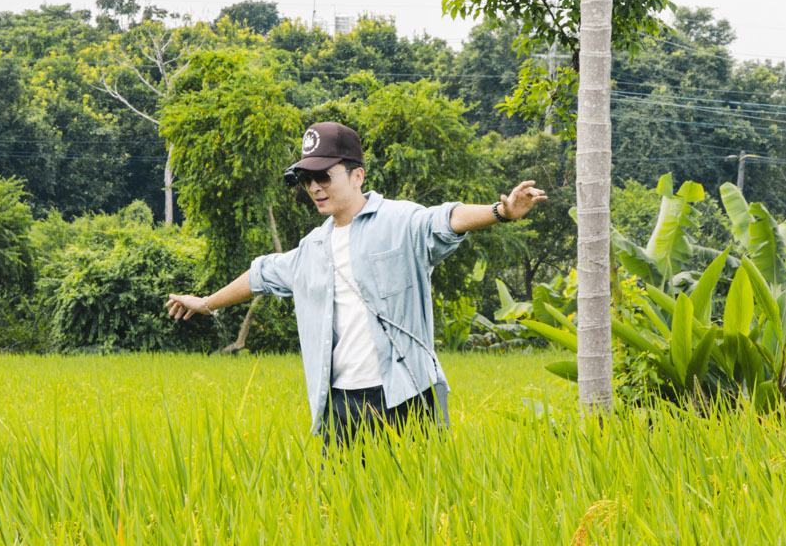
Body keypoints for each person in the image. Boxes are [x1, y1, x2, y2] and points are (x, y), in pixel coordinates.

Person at [164, 121, 544, 443]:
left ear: (357, 175)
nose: (314, 187)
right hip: (341, 405)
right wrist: (207, 302)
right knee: (346, 515)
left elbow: (445, 219)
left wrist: (502, 211)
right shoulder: (311, 249)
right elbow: (261, 274)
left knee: (419, 509)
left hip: (407, 395)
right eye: (307, 179)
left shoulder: (399, 221)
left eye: (324, 176)